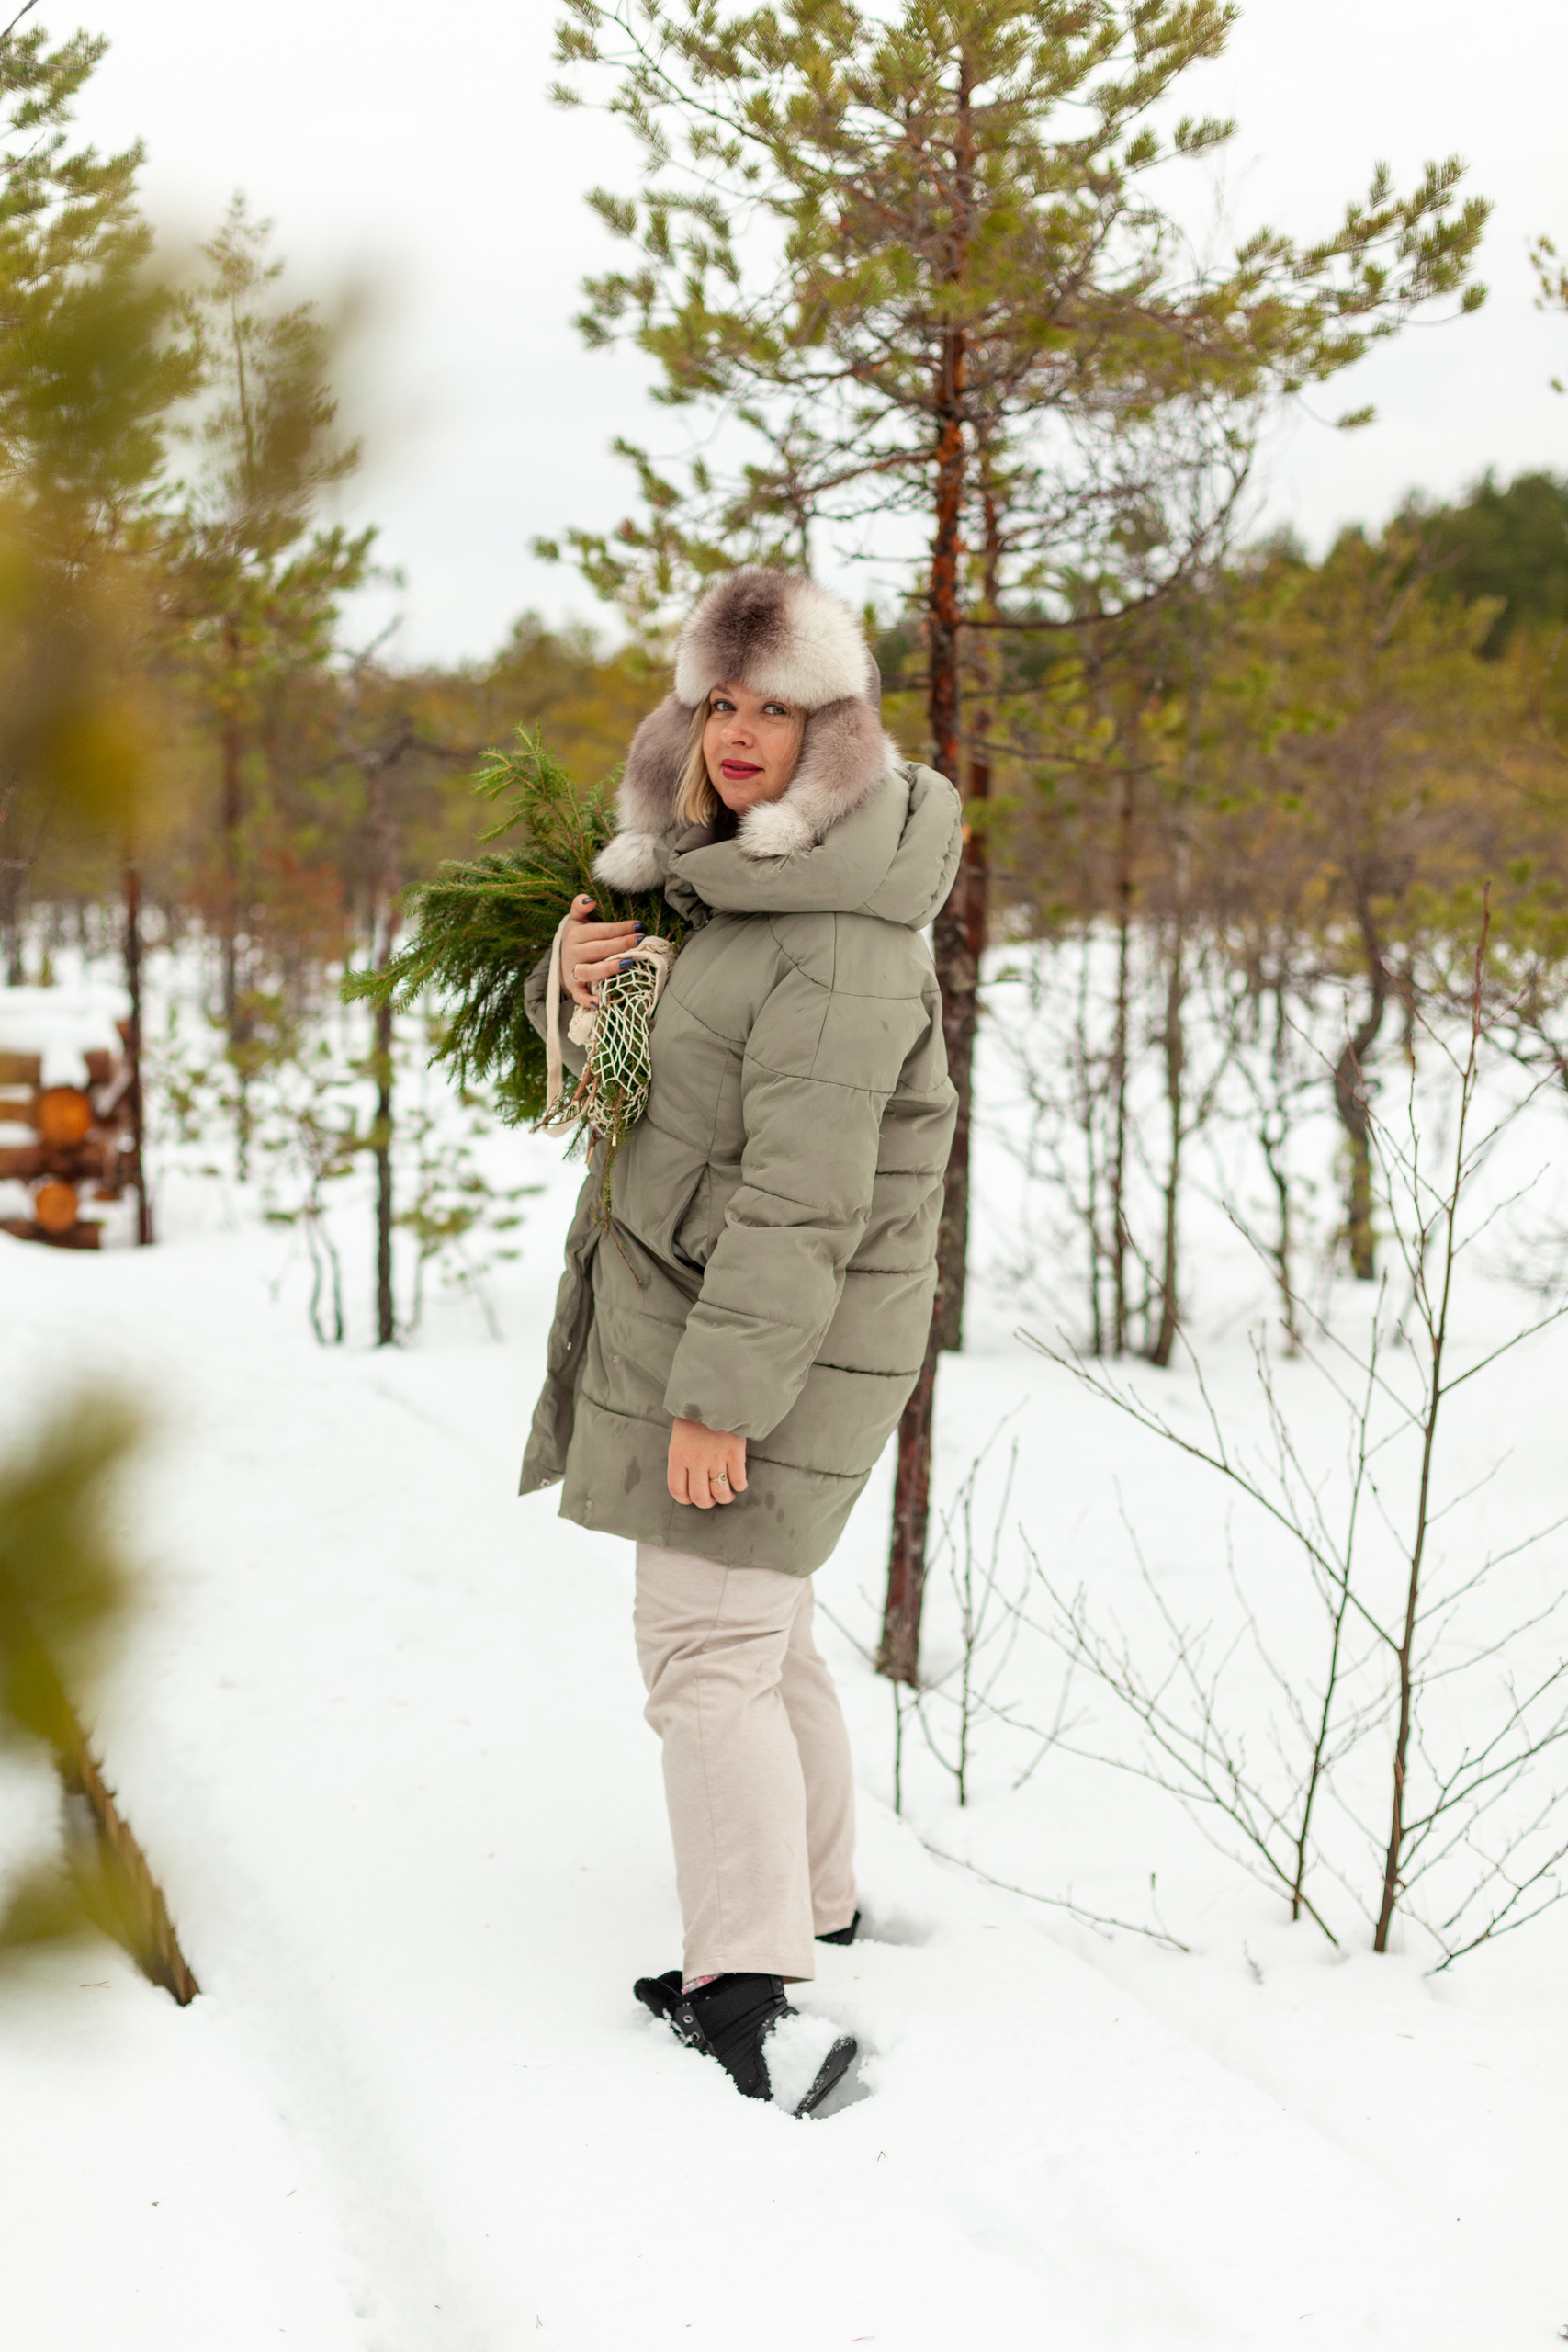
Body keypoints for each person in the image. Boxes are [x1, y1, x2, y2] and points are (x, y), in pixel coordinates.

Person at [521, 569, 959, 2117]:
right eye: (721, 702)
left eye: (777, 706)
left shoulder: (835, 933)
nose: (743, 734)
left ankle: (749, 1998)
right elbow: (649, 1080)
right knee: (764, 1637)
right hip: (726, 1326)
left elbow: (802, 1197)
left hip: (766, 1343)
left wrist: (720, 1402)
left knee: (704, 1650)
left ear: (835, 731)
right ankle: (816, 1902)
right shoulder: (734, 890)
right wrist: (570, 983)